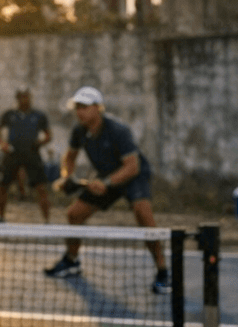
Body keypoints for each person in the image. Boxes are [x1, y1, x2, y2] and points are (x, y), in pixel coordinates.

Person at [44, 85, 170, 294]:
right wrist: (67, 176)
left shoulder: (118, 130)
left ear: (97, 108)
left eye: (84, 107)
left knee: (144, 217)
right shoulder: (79, 130)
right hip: (106, 177)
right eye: (77, 107)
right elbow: (69, 157)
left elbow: (132, 166)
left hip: (133, 176)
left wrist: (107, 184)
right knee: (74, 214)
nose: (79, 112)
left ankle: (163, 272)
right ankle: (71, 261)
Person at [0, 87, 52, 223]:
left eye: (26, 96)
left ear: (30, 98)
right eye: (21, 97)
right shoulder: (9, 114)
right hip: (12, 153)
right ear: (17, 98)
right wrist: (3, 144)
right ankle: (0, 216)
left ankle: (47, 220)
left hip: (32, 153)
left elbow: (49, 135)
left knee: (41, 187)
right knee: (2, 185)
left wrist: (39, 142)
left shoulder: (39, 115)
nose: (24, 99)